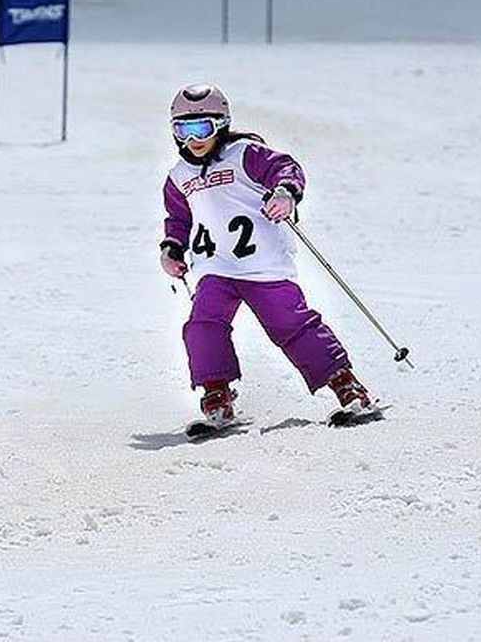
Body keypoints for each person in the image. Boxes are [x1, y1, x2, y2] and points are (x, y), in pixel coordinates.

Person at [159, 83, 375, 426]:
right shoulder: (179, 176)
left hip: (263, 266)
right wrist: (172, 248)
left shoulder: (245, 154)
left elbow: (285, 168)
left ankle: (346, 385)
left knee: (293, 327)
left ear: (222, 124)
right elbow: (179, 218)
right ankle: (216, 393)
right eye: (183, 130)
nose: (194, 139)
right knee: (202, 325)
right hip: (216, 268)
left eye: (203, 128)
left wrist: (285, 193)